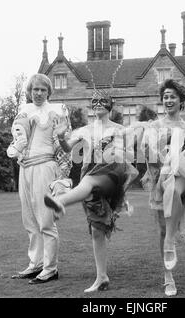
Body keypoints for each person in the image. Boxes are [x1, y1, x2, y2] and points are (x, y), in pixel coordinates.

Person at [43, 88, 138, 293]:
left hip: (111, 174)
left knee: (87, 183)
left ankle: (61, 201)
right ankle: (102, 277)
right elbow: (68, 148)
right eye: (94, 102)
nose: (97, 105)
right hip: (89, 177)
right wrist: (60, 136)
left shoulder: (120, 130)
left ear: (110, 105)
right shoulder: (84, 130)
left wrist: (114, 149)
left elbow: (129, 156)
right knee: (96, 230)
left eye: (102, 101)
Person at [139, 79, 185, 296]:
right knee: (162, 228)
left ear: (181, 101)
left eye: (172, 96)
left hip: (184, 178)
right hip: (161, 178)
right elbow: (148, 157)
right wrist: (150, 151)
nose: (168, 100)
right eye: (165, 96)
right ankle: (168, 277)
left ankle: (171, 242)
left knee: (175, 189)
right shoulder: (154, 127)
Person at [7, 73, 72, 284]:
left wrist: (62, 174)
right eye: (35, 89)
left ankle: (50, 268)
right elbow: (18, 140)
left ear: (48, 92)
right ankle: (35, 264)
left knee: (45, 220)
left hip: (46, 166)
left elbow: (66, 145)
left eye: (43, 90)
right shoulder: (24, 110)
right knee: (30, 221)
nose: (38, 93)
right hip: (25, 168)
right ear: (30, 91)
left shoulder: (58, 110)